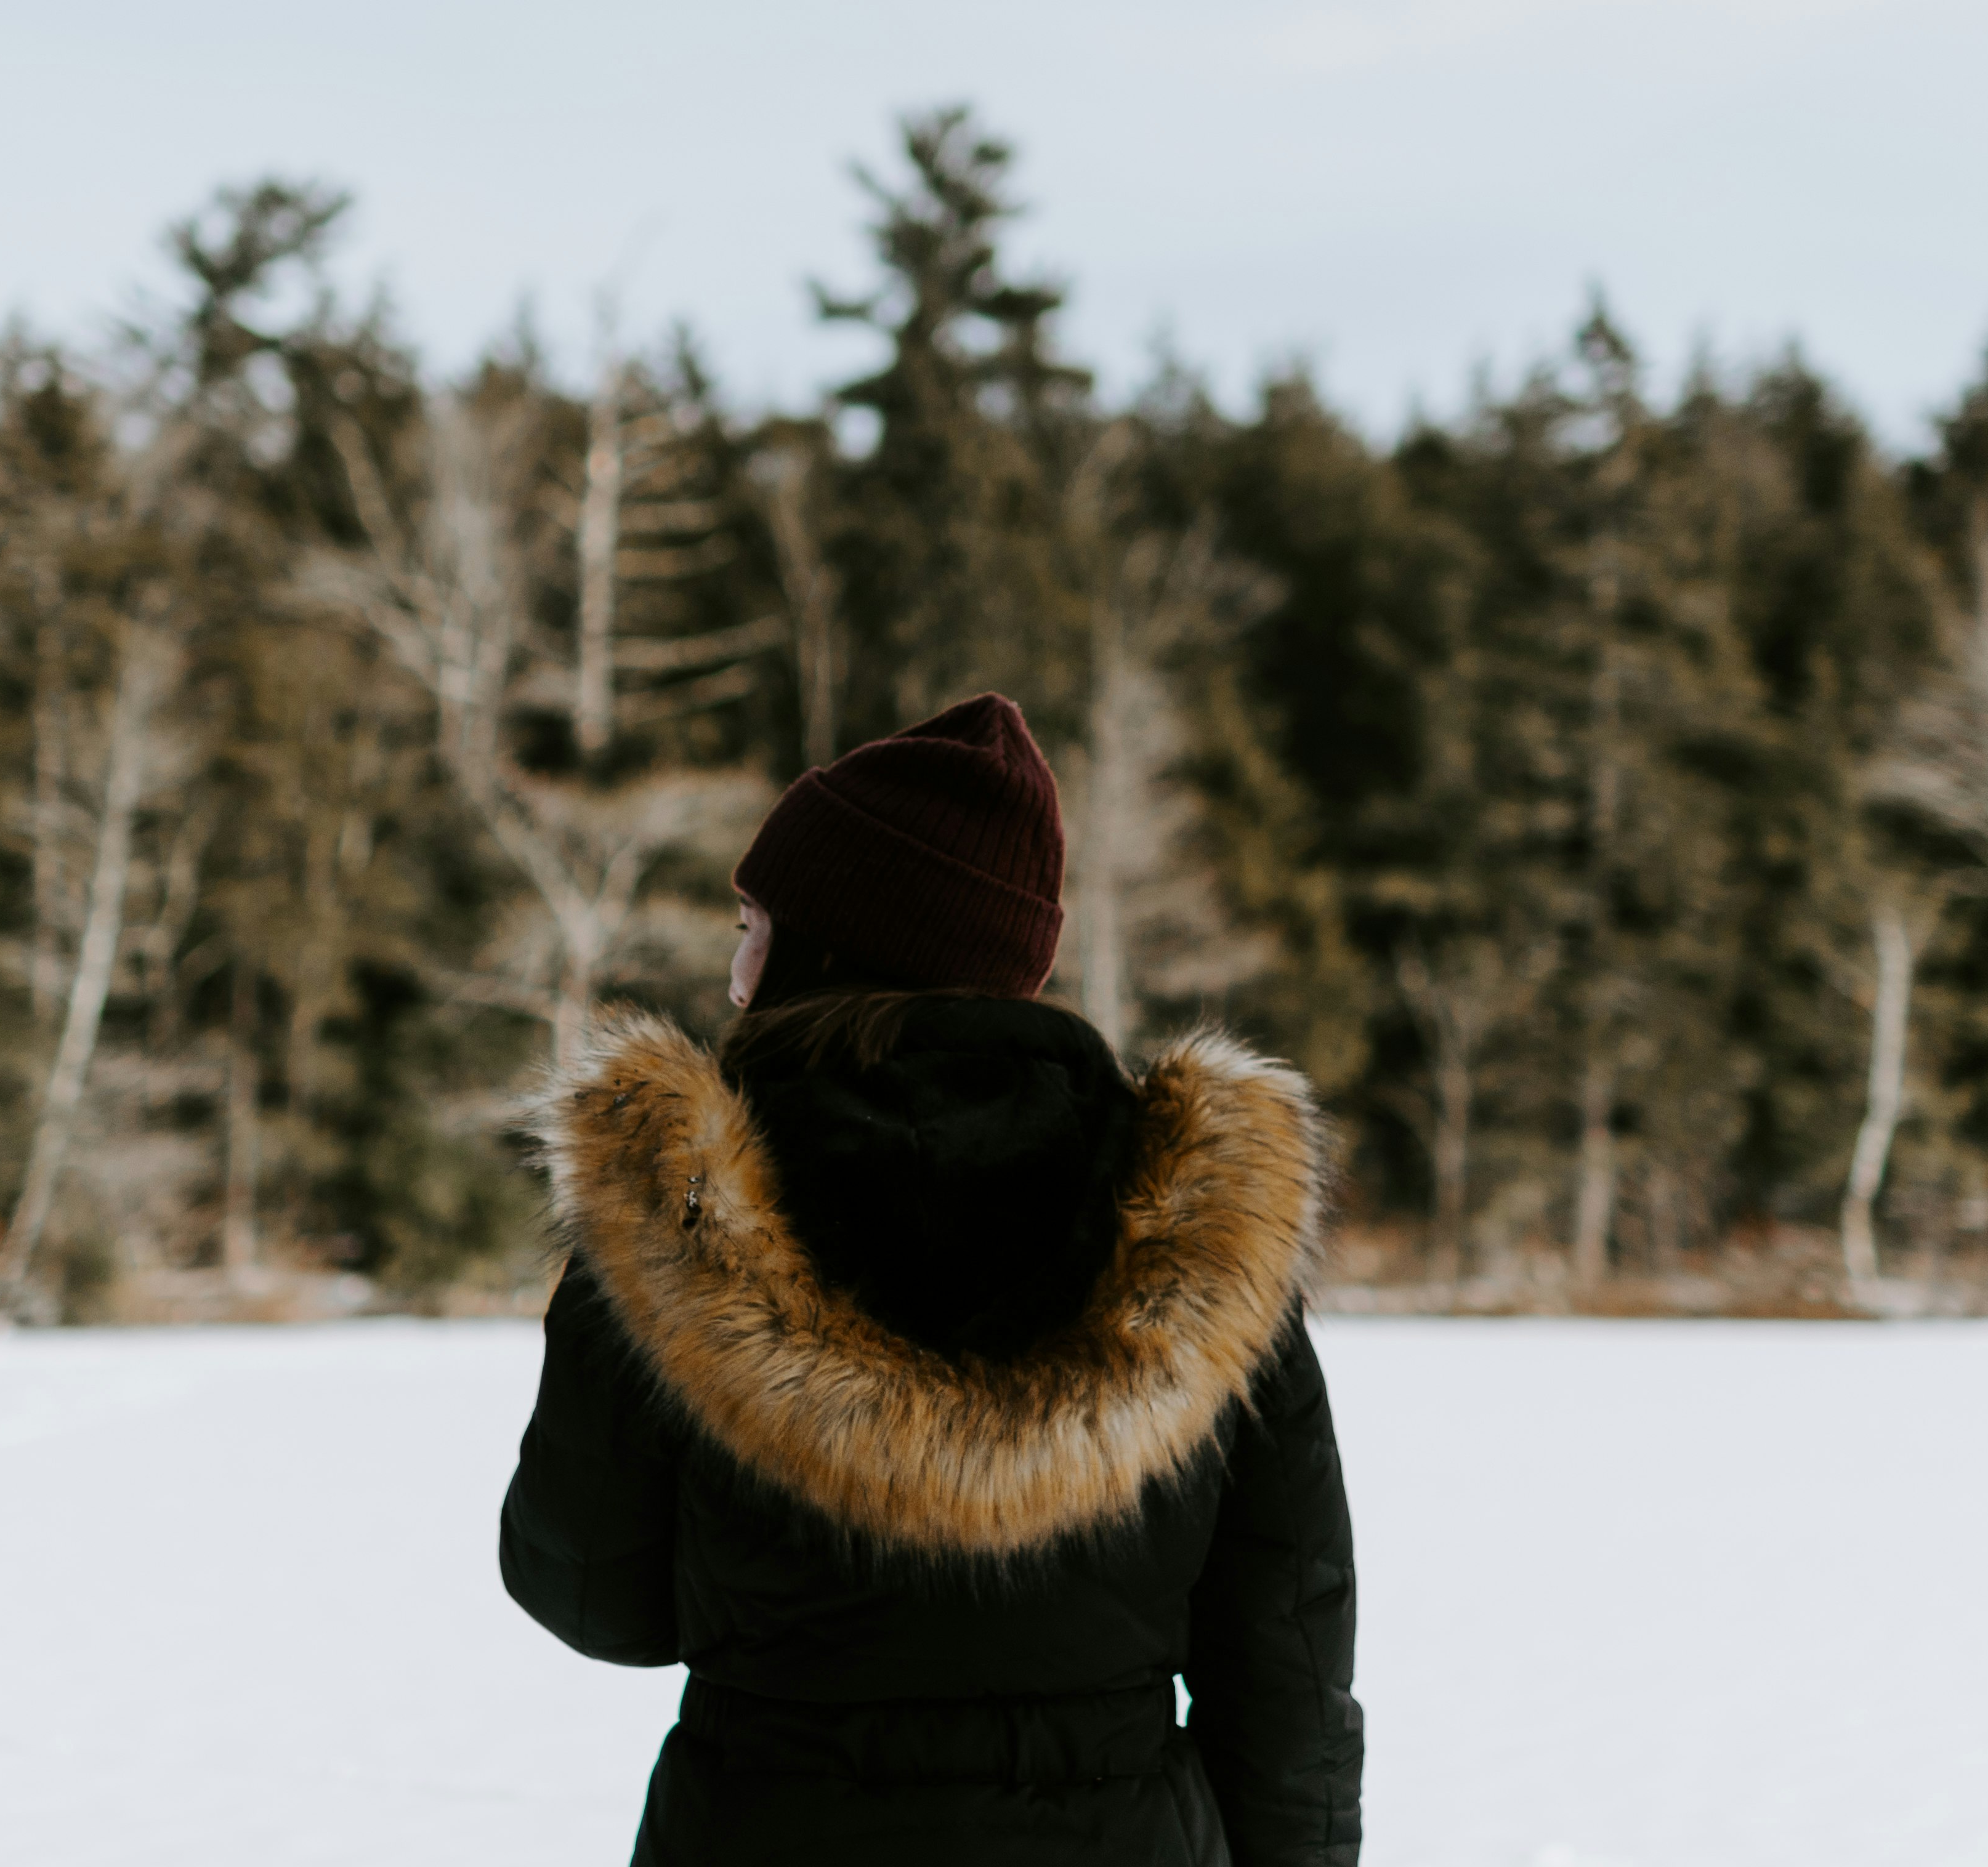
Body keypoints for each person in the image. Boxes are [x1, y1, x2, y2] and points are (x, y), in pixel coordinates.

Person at [501, 693, 1362, 1865]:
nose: (735, 973)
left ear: (836, 939)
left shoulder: (683, 1205)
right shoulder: (1195, 1221)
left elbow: (595, 1599)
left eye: (753, 927)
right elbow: (1287, 1659)